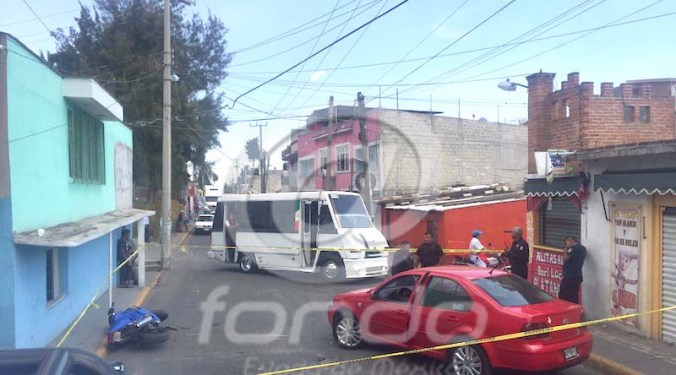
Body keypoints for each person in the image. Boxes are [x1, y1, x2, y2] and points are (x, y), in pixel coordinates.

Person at [559, 236, 587, 304]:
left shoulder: (571, 249)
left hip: (569, 277)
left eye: (566, 242)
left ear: (570, 240)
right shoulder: (583, 248)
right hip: (577, 276)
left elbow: (565, 258)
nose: (566, 244)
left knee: (563, 296)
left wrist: (565, 251)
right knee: (574, 296)